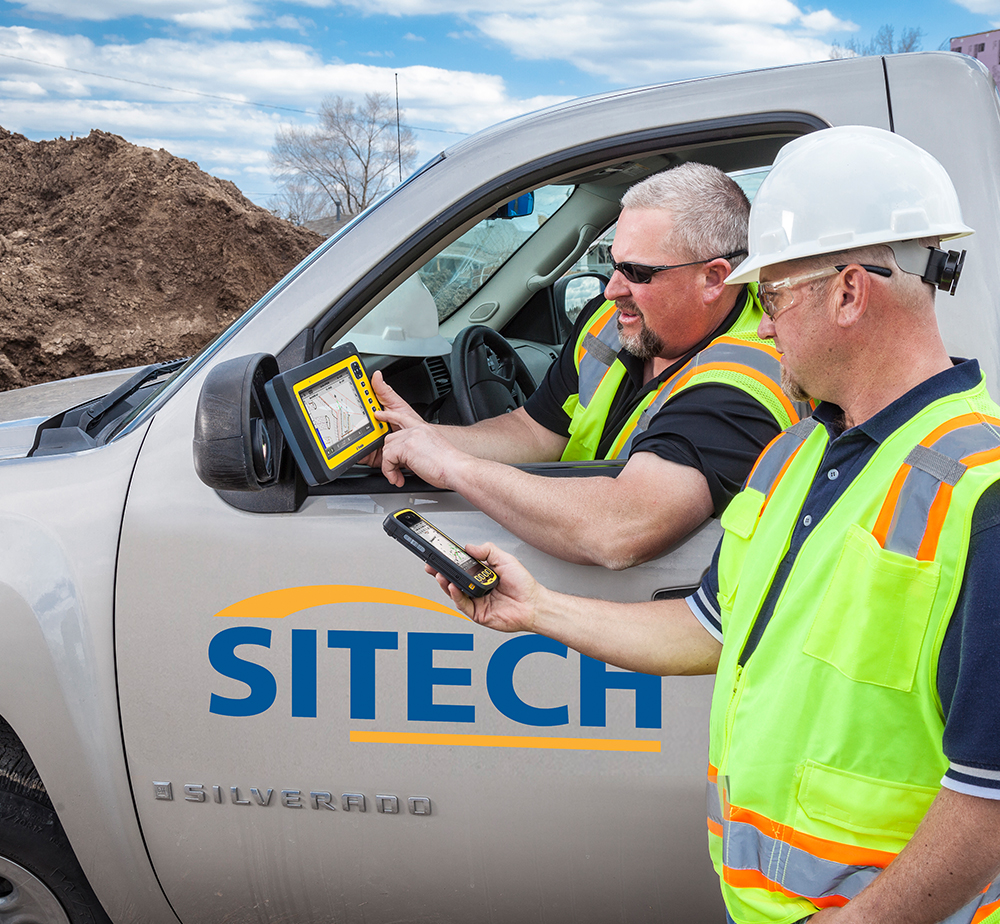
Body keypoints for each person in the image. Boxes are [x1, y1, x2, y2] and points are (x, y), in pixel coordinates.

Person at [425, 126, 1000, 924]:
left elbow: (990, 792)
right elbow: (706, 632)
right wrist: (534, 609)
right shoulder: (799, 455)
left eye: (772, 298)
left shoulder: (983, 489)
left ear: (848, 292)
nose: (761, 327)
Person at [372, 163, 809, 569]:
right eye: (615, 265)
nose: (610, 290)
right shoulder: (612, 325)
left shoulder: (748, 377)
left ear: (713, 279)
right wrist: (422, 439)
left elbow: (619, 529)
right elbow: (534, 431)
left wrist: (453, 467)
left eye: (636, 272)